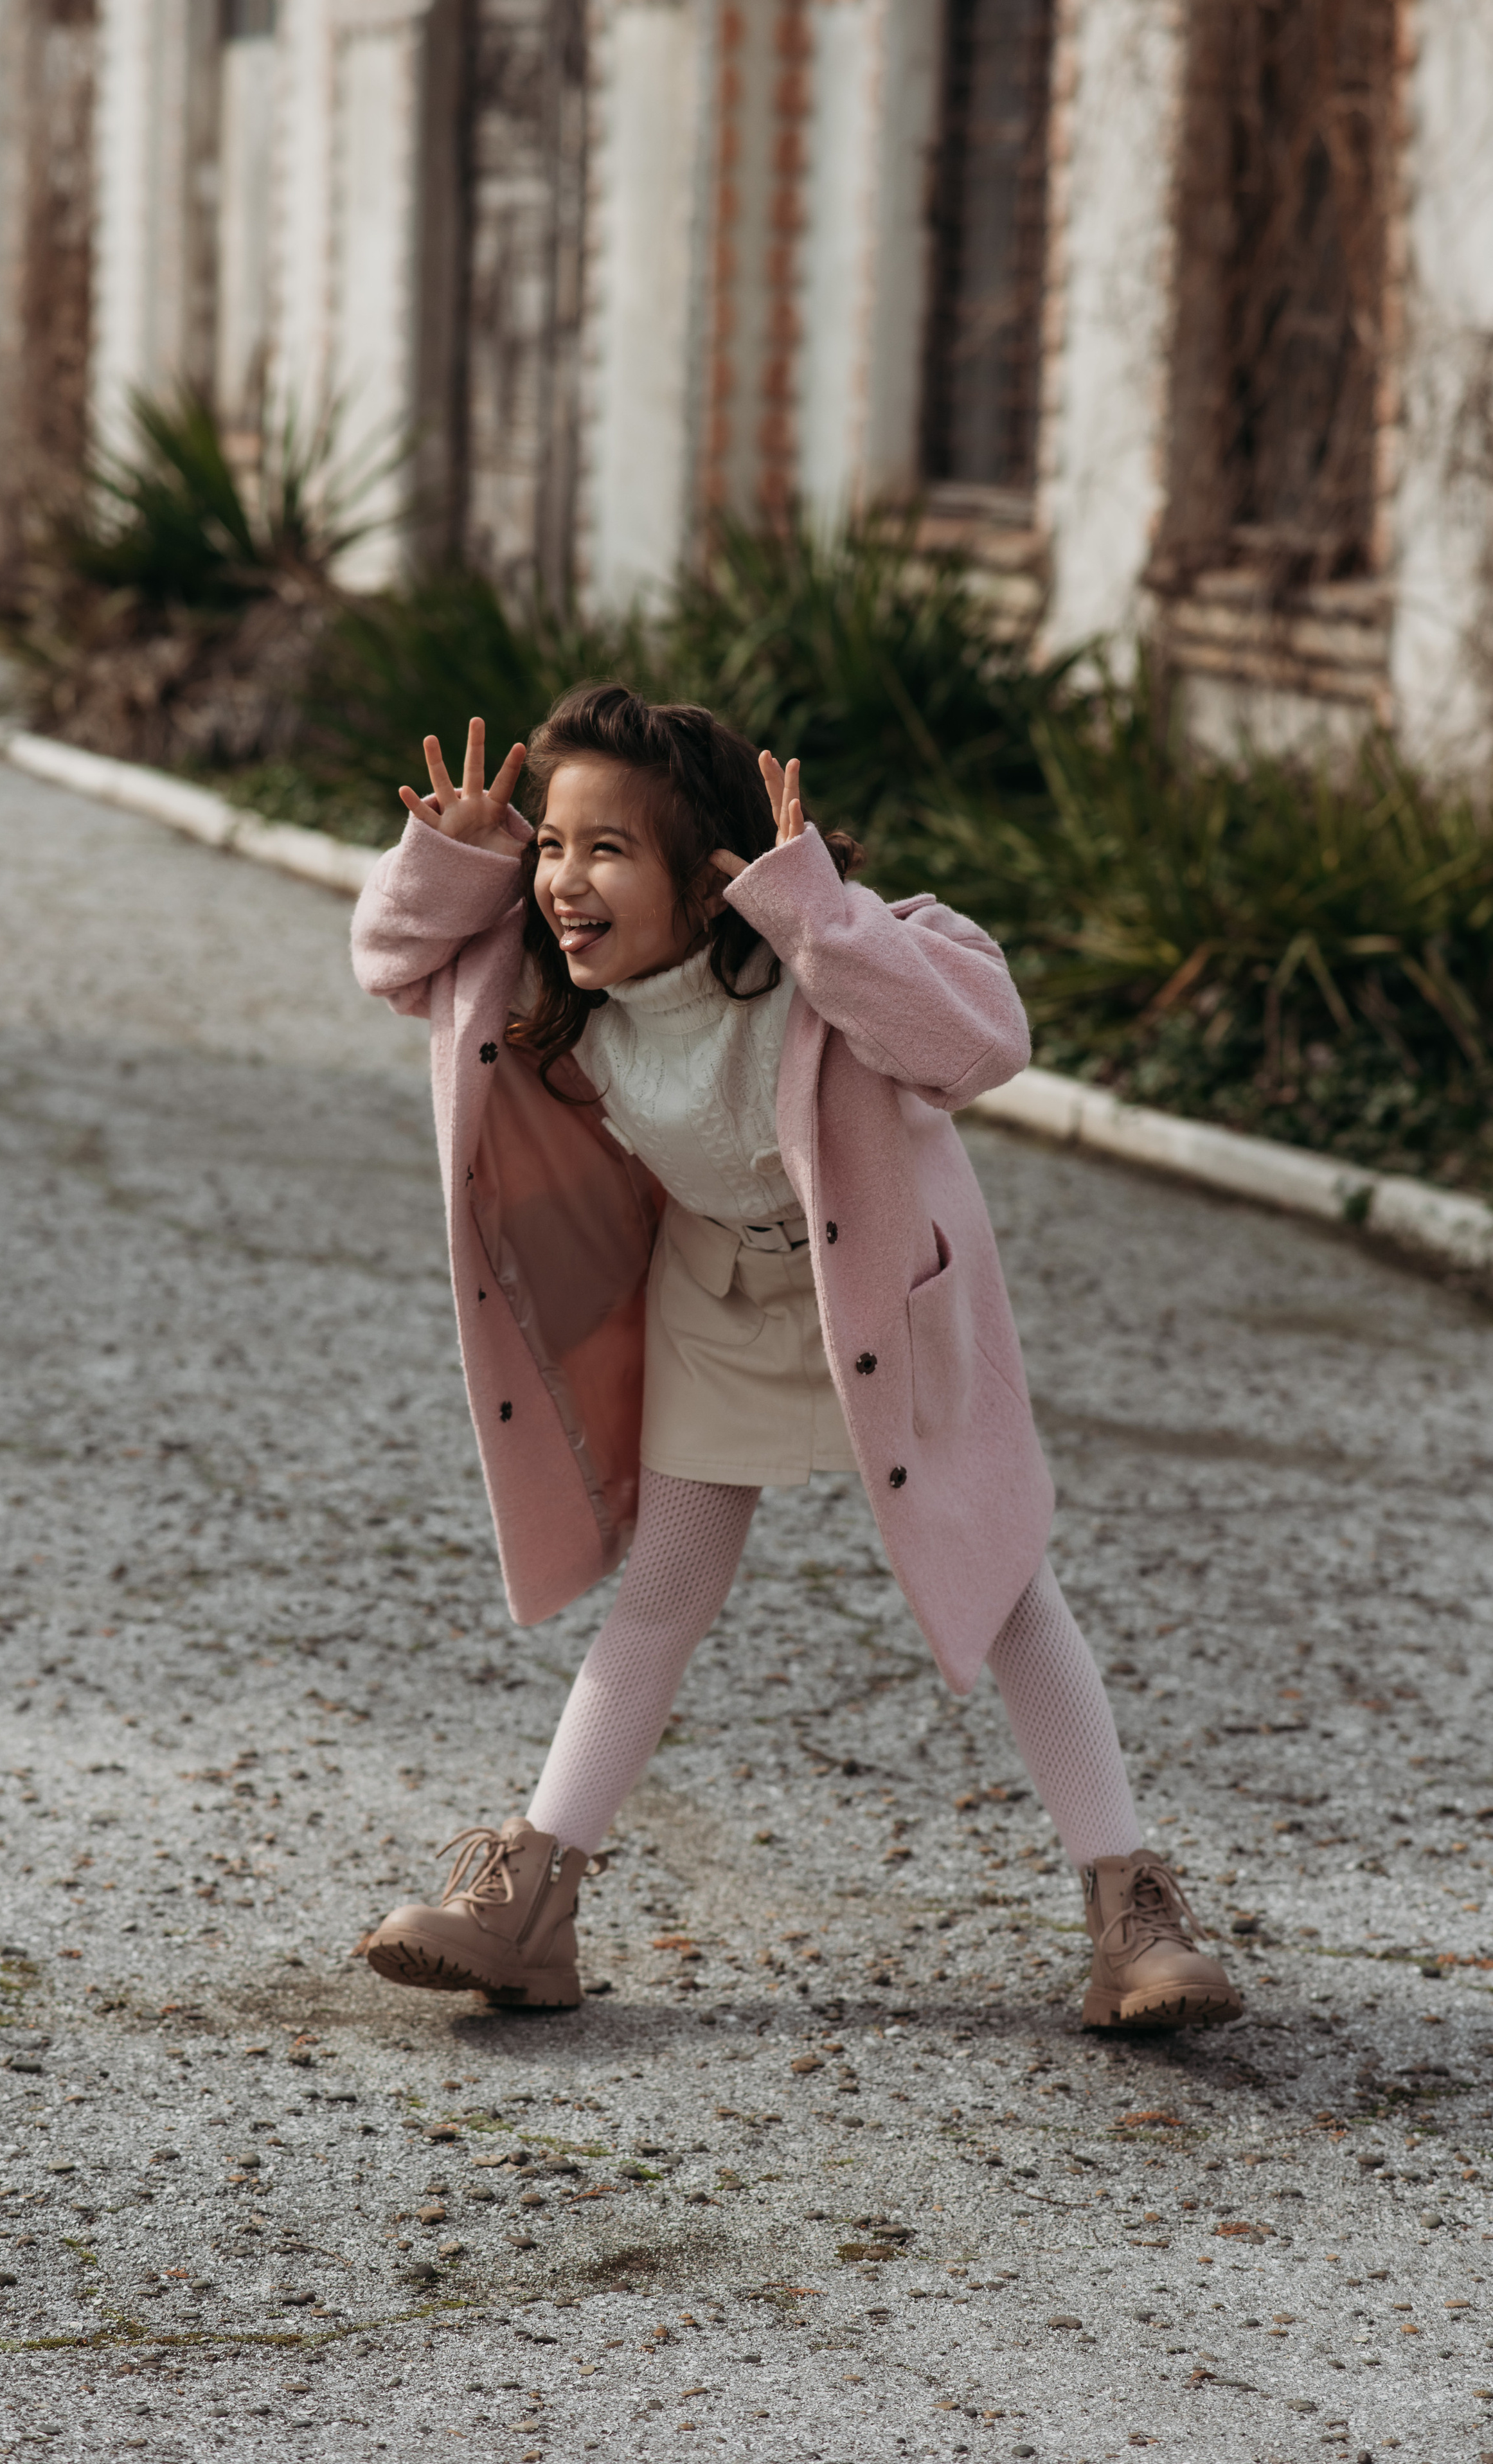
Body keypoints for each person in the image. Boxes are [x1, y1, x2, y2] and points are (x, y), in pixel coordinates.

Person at [348, 687, 1240, 2033]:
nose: (565, 881)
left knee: (1004, 1578)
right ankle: (526, 1908)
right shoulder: (554, 982)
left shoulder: (830, 963)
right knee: (664, 1591)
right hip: (715, 1294)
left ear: (711, 879)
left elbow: (982, 1044)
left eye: (608, 851)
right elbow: (392, 960)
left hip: (883, 1298)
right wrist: (456, 861)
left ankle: (1134, 1920)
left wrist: (816, 913)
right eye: (553, 846)